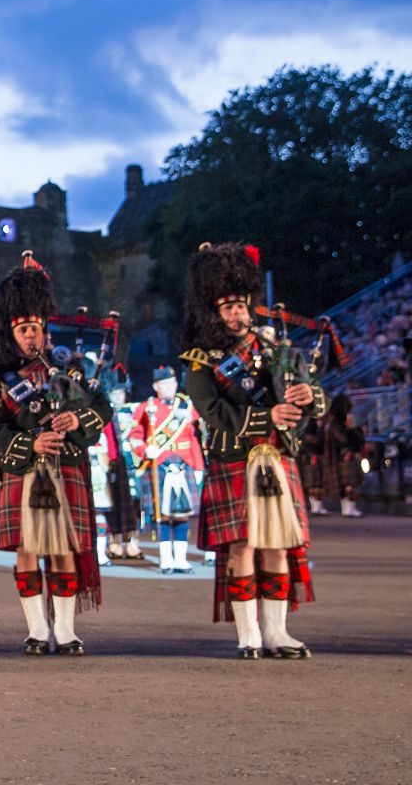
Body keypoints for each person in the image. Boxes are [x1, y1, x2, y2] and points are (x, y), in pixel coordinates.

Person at [181, 243, 323, 660]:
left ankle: (277, 632)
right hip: (234, 458)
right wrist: (268, 417)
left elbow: (318, 399)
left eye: (241, 306)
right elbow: (212, 410)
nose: (237, 315)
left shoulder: (277, 351)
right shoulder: (201, 360)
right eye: (227, 308)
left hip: (277, 459)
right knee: (242, 545)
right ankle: (249, 636)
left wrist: (307, 395)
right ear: (214, 311)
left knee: (277, 544)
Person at [0, 253, 110, 656]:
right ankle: (38, 630)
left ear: (45, 327)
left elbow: (102, 408)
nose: (29, 337)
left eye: (34, 328)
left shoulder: (70, 370)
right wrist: (31, 443)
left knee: (65, 548)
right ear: (12, 332)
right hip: (24, 470)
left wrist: (78, 420)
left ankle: (66, 631)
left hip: (66, 467)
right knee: (28, 550)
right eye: (22, 330)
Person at [128, 366, 203, 574]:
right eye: (164, 384)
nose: (169, 387)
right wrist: (144, 450)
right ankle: (166, 559)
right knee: (161, 514)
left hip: (184, 462)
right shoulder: (146, 407)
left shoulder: (186, 406)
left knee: (182, 513)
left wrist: (198, 466)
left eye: (172, 383)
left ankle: (180, 559)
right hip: (158, 464)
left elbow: (194, 438)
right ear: (156, 386)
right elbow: (134, 436)